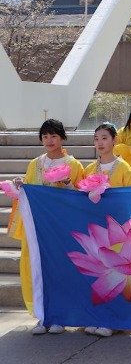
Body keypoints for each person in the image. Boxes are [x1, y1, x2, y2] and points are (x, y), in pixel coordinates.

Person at [13, 119, 85, 333]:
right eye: (45, 136)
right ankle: (43, 315)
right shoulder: (35, 164)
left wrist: (68, 184)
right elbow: (29, 192)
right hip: (40, 226)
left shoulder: (74, 164)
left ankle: (61, 316)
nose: (49, 140)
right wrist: (20, 186)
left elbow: (80, 197)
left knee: (61, 269)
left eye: (53, 135)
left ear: (62, 137)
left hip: (63, 226)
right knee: (40, 270)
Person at [85, 122, 131, 188]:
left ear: (115, 140)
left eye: (104, 138)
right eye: (96, 139)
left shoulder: (125, 168)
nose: (100, 143)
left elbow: (130, 193)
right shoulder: (89, 169)